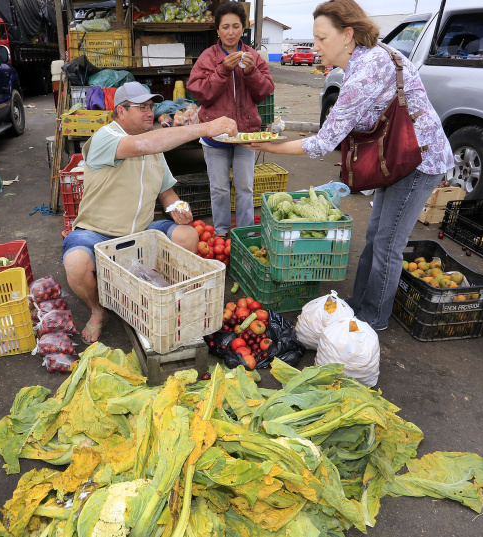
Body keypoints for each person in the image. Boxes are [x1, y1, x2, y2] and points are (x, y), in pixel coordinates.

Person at [247, 0, 454, 331]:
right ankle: (358, 306)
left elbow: (324, 144)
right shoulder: (363, 63)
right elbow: (337, 126)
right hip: (398, 157)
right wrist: (285, 130)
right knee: (375, 235)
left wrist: (271, 147)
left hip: (418, 161)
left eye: (321, 38)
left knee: (388, 245)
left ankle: (373, 320)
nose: (314, 47)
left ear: (347, 35)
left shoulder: (367, 71)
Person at [62, 81, 238, 343]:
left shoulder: (155, 150)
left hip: (141, 232)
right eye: (141, 107)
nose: (149, 112)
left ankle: (160, 297)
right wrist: (207, 128)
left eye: (151, 107)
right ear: (120, 111)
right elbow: (141, 146)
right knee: (76, 263)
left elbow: (166, 192)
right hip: (97, 233)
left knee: (188, 236)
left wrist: (178, 209)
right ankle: (98, 311)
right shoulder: (105, 138)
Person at [187, 1, 274, 238]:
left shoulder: (253, 57)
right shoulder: (207, 58)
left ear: (243, 28)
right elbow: (201, 93)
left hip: (246, 134)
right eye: (225, 26)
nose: (230, 32)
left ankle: (244, 234)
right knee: (219, 188)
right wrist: (223, 70)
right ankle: (222, 233)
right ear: (217, 30)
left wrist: (251, 72)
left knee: (245, 187)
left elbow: (265, 91)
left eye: (236, 26)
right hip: (215, 135)